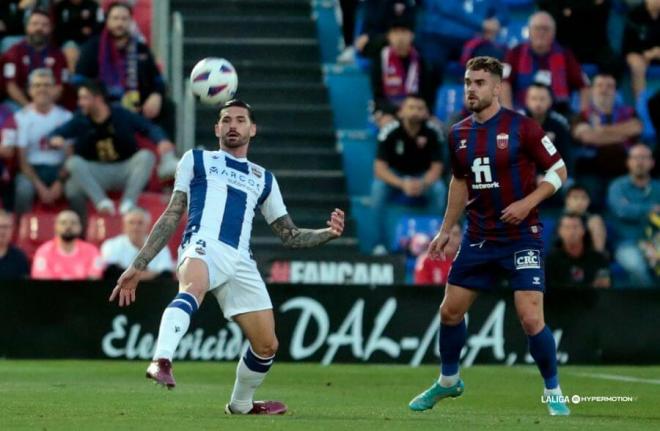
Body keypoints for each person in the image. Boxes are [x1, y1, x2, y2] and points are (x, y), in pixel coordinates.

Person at [108, 99, 345, 415]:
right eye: (226, 120)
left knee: (266, 345)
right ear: (217, 128)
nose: (233, 125)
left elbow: (290, 235)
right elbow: (173, 211)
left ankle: (241, 404)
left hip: (241, 261)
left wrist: (326, 233)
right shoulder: (197, 160)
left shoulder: (264, 178)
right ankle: (160, 360)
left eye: (240, 120)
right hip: (203, 245)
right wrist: (139, 265)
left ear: (252, 129)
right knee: (192, 289)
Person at [408, 57, 570, 416]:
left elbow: (559, 169)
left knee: (530, 318)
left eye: (480, 82)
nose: (471, 89)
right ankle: (448, 382)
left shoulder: (522, 127)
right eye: (468, 82)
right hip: (479, 237)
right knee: (449, 312)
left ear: (497, 87)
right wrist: (447, 228)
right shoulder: (457, 133)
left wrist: (528, 202)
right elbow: (460, 181)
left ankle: (553, 391)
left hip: (521, 236)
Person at [49, 80, 176, 219]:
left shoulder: (121, 114)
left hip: (124, 169)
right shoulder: (80, 119)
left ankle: (128, 202)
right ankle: (102, 203)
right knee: (73, 164)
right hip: (97, 172)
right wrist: (55, 138)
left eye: (84, 98)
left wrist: (161, 140)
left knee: (146, 156)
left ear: (98, 98)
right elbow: (56, 133)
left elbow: (149, 127)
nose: (80, 103)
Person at [75, 2, 172, 135]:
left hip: (137, 104)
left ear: (131, 22)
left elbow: (158, 79)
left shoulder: (140, 48)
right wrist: (96, 98)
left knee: (168, 106)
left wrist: (156, 95)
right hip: (102, 102)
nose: (119, 23)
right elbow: (79, 80)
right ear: (107, 21)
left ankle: (166, 151)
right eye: (115, 18)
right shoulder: (92, 47)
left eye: (124, 19)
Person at [371, 95, 446, 254]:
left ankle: (435, 241)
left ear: (426, 113)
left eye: (420, 108)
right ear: (401, 112)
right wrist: (402, 183)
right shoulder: (389, 131)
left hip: (422, 176)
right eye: (411, 107)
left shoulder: (433, 132)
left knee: (439, 189)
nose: (415, 112)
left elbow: (437, 168)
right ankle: (380, 244)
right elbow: (379, 169)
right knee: (377, 189)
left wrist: (423, 183)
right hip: (396, 177)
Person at [572, 73, 643, 208]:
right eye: (600, 86)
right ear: (592, 90)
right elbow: (588, 137)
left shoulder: (629, 112)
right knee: (590, 202)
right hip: (591, 170)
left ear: (616, 91)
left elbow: (636, 128)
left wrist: (601, 130)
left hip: (624, 169)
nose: (604, 90)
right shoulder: (582, 115)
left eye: (609, 86)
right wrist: (621, 135)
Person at [502, 11, 589, 117]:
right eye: (537, 28)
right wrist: (508, 114)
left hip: (558, 114)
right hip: (522, 113)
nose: (541, 33)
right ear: (529, 31)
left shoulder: (565, 55)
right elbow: (504, 83)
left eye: (546, 29)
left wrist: (583, 116)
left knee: (583, 131)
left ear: (554, 32)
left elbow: (584, 85)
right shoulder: (515, 53)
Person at [12, 68, 72, 214]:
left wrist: (59, 183)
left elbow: (70, 156)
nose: (42, 89)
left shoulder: (66, 117)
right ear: (30, 90)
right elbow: (22, 160)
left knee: (75, 190)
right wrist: (40, 187)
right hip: (33, 169)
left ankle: (80, 232)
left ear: (54, 89)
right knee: (23, 189)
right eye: (37, 85)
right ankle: (20, 230)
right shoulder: (21, 118)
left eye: (46, 85)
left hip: (59, 169)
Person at [607, 144, 660, 288]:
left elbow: (628, 210)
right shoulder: (617, 186)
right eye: (635, 157)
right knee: (637, 266)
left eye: (644, 157)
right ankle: (649, 306)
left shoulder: (658, 187)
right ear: (628, 162)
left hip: (656, 242)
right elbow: (621, 211)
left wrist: (632, 208)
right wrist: (651, 209)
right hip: (627, 244)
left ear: (652, 162)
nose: (640, 162)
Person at [1, 9, 68, 107]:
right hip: (19, 102)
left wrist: (42, 106)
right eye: (35, 24)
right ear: (27, 27)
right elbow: (10, 85)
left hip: (49, 103)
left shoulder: (58, 55)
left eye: (45, 25)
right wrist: (29, 107)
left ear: (51, 29)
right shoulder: (14, 51)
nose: (39, 28)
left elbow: (60, 87)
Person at [101, 207, 174, 281]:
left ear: (148, 226)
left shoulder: (160, 246)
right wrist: (150, 274)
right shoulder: (111, 245)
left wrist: (128, 275)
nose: (135, 227)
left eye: (140, 223)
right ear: (124, 226)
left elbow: (166, 274)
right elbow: (111, 273)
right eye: (131, 223)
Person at [31, 209, 103, 280]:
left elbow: (93, 282)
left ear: (80, 227)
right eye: (63, 223)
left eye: (73, 223)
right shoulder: (43, 251)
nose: (68, 226)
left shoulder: (92, 251)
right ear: (55, 226)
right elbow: (43, 285)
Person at [546, 213, 610, 289]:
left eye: (575, 227)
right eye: (567, 228)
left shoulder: (598, 259)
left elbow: (606, 288)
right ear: (559, 232)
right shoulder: (550, 260)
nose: (572, 232)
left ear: (583, 230)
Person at [524, 82, 573, 180]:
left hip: (555, 175)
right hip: (526, 176)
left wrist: (551, 177)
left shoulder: (559, 126)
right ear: (526, 101)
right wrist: (535, 176)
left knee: (569, 184)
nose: (538, 103)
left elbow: (565, 156)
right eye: (534, 99)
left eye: (542, 99)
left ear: (550, 101)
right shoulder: (517, 125)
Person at [622, 0, 660, 99]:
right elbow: (629, 45)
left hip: (656, 53)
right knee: (637, 65)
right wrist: (645, 54)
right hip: (636, 52)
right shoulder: (635, 14)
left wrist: (654, 53)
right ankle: (641, 107)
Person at [563, 185, 607, 253]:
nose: (580, 202)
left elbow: (599, 249)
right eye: (575, 198)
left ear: (589, 201)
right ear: (567, 200)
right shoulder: (560, 219)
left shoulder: (594, 220)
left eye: (584, 198)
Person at [0, 209, 29, 280]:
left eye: (6, 227)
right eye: (0, 227)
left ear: (12, 230)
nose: (2, 231)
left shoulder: (20, 257)